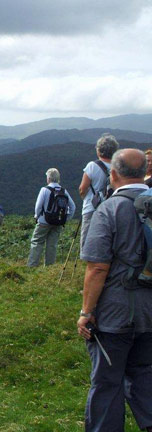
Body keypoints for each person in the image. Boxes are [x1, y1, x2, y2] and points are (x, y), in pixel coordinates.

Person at [77, 149, 152, 432]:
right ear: (144, 170)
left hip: (115, 314)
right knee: (144, 374)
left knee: (107, 381)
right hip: (150, 313)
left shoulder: (110, 209)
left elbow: (97, 268)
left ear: (114, 174)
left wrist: (86, 312)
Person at [27, 168, 76, 267]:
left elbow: (38, 206)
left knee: (37, 242)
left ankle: (32, 265)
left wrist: (37, 216)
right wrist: (65, 219)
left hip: (44, 222)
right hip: (57, 222)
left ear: (48, 178)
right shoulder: (63, 191)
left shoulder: (44, 190)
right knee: (52, 245)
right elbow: (73, 207)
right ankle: (49, 266)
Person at [78, 134, 119, 250]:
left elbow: (83, 188)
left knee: (87, 236)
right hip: (111, 208)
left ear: (99, 150)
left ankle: (87, 259)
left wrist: (84, 198)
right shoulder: (118, 167)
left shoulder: (92, 166)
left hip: (91, 207)